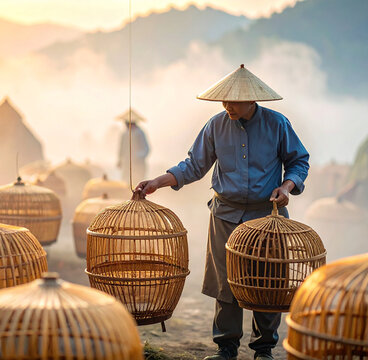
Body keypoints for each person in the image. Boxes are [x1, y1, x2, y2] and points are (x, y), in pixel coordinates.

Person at [135, 64, 310, 360]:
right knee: (225, 283)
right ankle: (226, 348)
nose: (227, 106)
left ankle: (263, 349)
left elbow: (299, 162)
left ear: (252, 100)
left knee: (267, 282)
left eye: (234, 101)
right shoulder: (215, 125)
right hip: (224, 215)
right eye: (224, 101)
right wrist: (157, 182)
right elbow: (193, 166)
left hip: (266, 217)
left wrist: (287, 187)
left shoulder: (277, 124)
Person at [117, 109, 150, 184]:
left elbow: (146, 149)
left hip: (138, 165)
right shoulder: (124, 134)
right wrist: (120, 160)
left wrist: (137, 157)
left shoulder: (140, 133)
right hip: (126, 164)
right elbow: (121, 149)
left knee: (138, 182)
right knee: (126, 182)